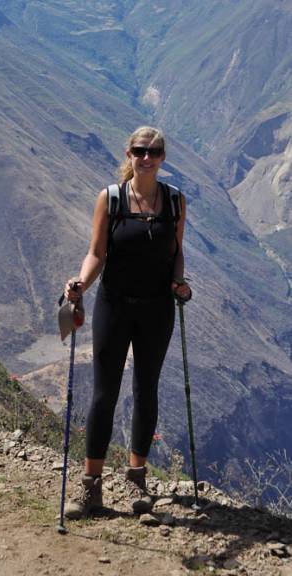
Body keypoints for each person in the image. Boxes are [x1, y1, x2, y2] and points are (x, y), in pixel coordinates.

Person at [64, 126, 191, 519]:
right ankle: (92, 489)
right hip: (114, 306)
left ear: (163, 157)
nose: (146, 157)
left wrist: (180, 281)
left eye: (153, 151)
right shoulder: (111, 198)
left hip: (157, 309)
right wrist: (81, 283)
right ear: (129, 154)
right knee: (105, 393)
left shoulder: (174, 202)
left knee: (146, 389)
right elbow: (96, 252)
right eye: (140, 151)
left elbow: (177, 253)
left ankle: (138, 482)